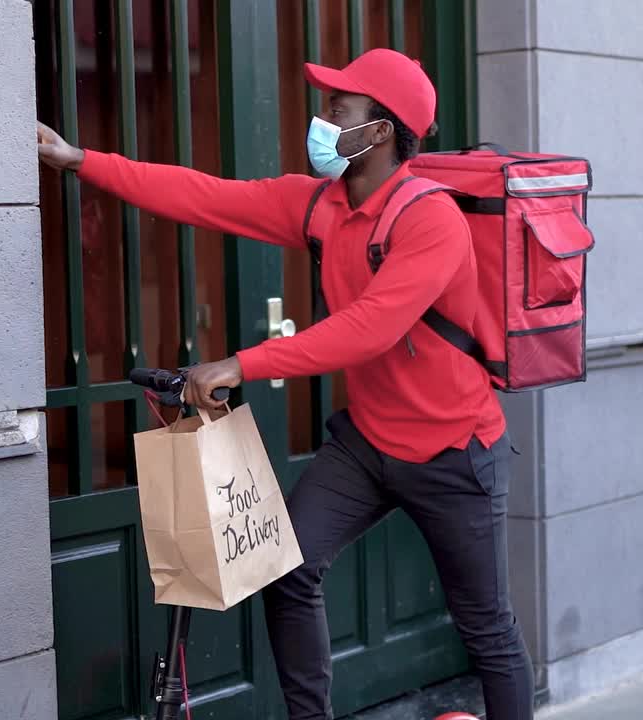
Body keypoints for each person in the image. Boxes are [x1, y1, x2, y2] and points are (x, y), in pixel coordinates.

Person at [37, 48, 533, 720]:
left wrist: (241, 365)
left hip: (453, 452)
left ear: (380, 131)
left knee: (487, 630)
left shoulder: (430, 218)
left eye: (339, 108)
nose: (322, 120)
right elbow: (205, 197)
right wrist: (81, 160)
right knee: (289, 570)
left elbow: (370, 328)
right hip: (369, 444)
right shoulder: (320, 205)